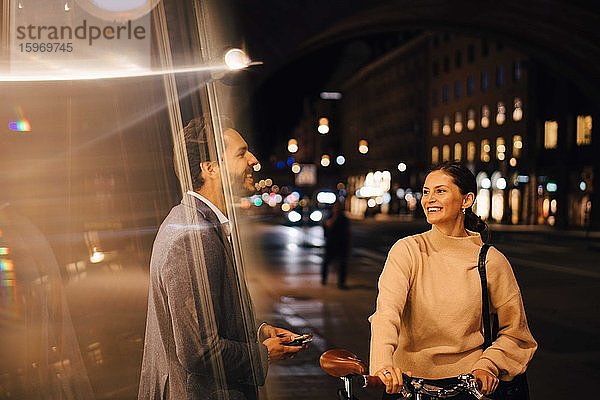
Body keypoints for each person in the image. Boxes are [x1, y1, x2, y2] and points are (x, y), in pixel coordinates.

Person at [138, 118, 304, 400]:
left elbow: (209, 318)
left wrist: (259, 331)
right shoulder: (192, 236)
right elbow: (198, 350)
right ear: (210, 168)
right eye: (241, 154)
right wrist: (261, 354)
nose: (253, 160)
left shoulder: (198, 224)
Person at [369, 161, 537, 399]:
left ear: (466, 200)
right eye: (426, 192)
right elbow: (386, 314)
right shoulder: (407, 250)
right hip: (407, 385)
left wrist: (487, 365)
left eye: (440, 191)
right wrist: (383, 365)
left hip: (468, 387)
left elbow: (516, 332)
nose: (429, 199)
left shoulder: (490, 261)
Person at [321, 199, 351, 289]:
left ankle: (341, 283)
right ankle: (324, 279)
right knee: (326, 262)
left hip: (341, 243)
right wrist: (334, 217)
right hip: (331, 243)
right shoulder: (330, 216)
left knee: (342, 264)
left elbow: (348, 231)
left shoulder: (344, 218)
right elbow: (327, 226)